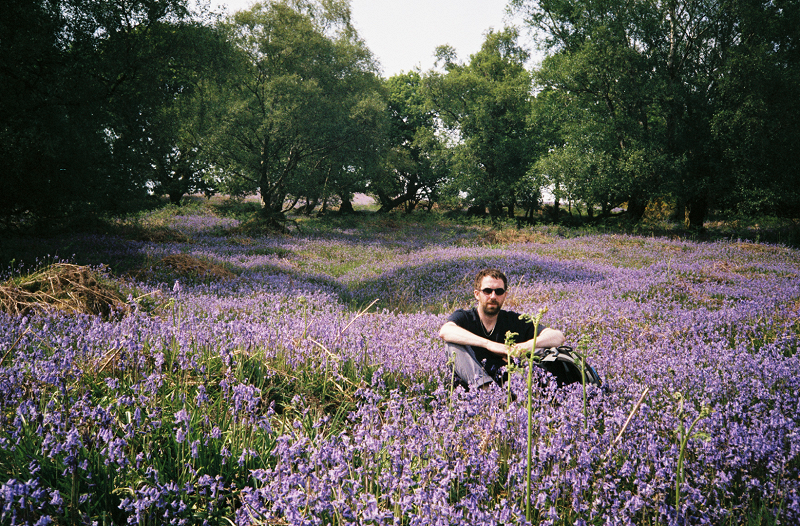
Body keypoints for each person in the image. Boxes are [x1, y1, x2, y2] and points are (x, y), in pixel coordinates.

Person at [439, 268, 565, 390]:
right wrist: (489, 345)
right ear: (477, 294)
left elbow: (557, 336)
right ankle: (488, 392)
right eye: (487, 291)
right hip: (474, 389)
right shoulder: (465, 317)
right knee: (453, 345)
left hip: (509, 385)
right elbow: (445, 331)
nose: (493, 296)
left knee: (542, 348)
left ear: (505, 295)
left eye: (499, 292)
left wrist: (521, 348)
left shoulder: (514, 320)